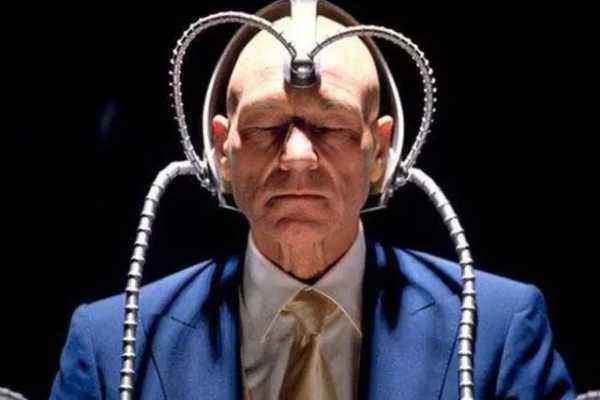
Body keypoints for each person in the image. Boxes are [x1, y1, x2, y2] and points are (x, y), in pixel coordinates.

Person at [50, 9, 575, 400]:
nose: (297, 158)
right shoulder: (109, 345)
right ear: (222, 150)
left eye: (331, 127)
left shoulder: (498, 331)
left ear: (381, 152)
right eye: (266, 126)